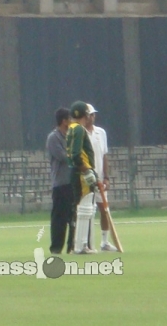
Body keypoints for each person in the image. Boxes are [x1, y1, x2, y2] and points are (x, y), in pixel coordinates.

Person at [66, 100, 98, 254]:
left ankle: (80, 245)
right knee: (84, 209)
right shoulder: (79, 129)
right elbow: (77, 155)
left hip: (76, 172)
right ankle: (80, 246)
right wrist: (87, 171)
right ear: (85, 115)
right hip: (81, 173)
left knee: (84, 208)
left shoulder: (71, 128)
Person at [85, 103, 118, 252]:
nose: (92, 117)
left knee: (104, 209)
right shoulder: (79, 133)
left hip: (100, 178)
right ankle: (85, 242)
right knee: (87, 211)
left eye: (93, 114)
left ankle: (104, 242)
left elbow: (104, 156)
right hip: (86, 178)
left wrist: (106, 177)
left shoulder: (101, 132)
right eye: (89, 115)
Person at [46, 107, 74, 254]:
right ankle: (56, 248)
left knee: (73, 217)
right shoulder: (54, 138)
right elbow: (63, 157)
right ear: (64, 121)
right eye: (69, 119)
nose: (71, 121)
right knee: (59, 218)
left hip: (72, 183)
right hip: (61, 184)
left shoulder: (70, 136)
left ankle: (72, 246)